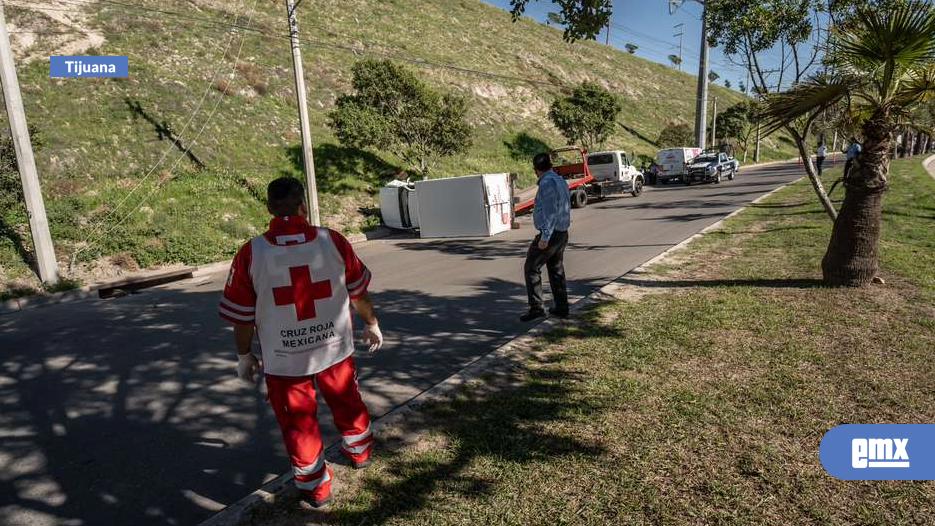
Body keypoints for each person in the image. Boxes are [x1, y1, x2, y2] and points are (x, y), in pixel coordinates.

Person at [219, 177, 384, 508]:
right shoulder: (333, 241)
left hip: (285, 360)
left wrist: (243, 355)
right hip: (334, 348)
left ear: (268, 208)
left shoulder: (251, 253)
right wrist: (372, 323)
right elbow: (358, 293)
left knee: (298, 424)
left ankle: (315, 488)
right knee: (348, 402)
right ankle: (360, 452)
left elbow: (242, 316)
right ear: (303, 206)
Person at [521, 152, 571, 322]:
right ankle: (562, 307)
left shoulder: (547, 183)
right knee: (556, 269)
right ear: (550, 165)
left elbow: (550, 212)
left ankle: (537, 308)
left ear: (535, 170)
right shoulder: (560, 179)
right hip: (562, 232)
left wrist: (545, 237)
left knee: (531, 267)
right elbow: (564, 206)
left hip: (551, 233)